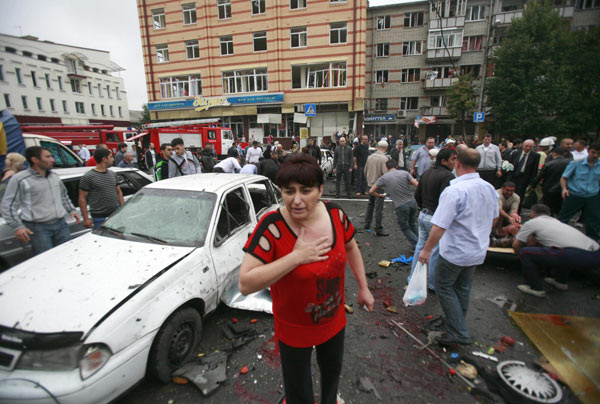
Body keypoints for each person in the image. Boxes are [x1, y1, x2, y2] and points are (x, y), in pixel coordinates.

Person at [239, 154, 374, 404]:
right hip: (294, 328)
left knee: (332, 374)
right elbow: (245, 283)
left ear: (321, 189)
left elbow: (352, 247)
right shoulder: (271, 226)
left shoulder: (336, 214)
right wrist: (296, 257)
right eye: (289, 191)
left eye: (306, 190)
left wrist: (364, 288)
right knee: (298, 391)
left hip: (334, 320)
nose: (297, 200)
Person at [418, 148, 498, 346]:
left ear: (458, 164)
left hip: (455, 251)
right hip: (477, 249)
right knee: (462, 288)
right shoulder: (488, 187)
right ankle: (456, 322)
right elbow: (495, 217)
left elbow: (439, 226)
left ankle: (459, 332)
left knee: (444, 287)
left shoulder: (454, 191)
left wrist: (426, 249)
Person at [1, 146, 80, 255]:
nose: (52, 159)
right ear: (35, 160)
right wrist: (17, 226)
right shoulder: (20, 179)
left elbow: (63, 196)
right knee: (45, 258)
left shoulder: (54, 176)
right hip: (38, 229)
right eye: (47, 156)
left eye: (51, 156)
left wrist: (71, 210)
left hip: (61, 224)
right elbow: (8, 205)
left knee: (65, 255)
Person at [513, 204, 599, 297]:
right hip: (596, 252)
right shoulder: (556, 222)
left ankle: (535, 288)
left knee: (525, 252)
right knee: (560, 248)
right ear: (549, 214)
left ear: (532, 214)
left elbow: (516, 245)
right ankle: (560, 281)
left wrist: (521, 257)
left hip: (576, 255)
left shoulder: (531, 223)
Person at [409, 148, 457, 291]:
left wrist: (424, 207)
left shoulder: (426, 173)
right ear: (444, 161)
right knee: (435, 250)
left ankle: (412, 278)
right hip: (435, 218)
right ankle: (431, 284)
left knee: (420, 247)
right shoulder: (448, 177)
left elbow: (417, 195)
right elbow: (446, 200)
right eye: (453, 159)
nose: (455, 162)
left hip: (423, 215)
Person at [369, 159, 419, 248]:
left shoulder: (384, 177)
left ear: (387, 168)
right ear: (396, 166)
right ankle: (421, 243)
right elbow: (417, 184)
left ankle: (418, 246)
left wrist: (379, 195)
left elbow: (371, 191)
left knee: (405, 227)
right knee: (412, 223)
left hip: (401, 205)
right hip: (412, 202)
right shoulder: (405, 173)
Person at [558, 142, 600, 240]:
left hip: (592, 195)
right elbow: (564, 177)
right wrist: (564, 189)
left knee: (593, 221)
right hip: (574, 194)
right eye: (593, 153)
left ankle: (593, 242)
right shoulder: (576, 163)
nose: (595, 156)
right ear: (588, 150)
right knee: (563, 218)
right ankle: (557, 237)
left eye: (598, 153)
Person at [79, 148, 124, 229]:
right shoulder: (88, 177)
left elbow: (119, 192)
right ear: (104, 159)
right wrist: (86, 218)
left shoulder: (113, 174)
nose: (113, 159)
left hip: (115, 215)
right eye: (111, 157)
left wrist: (123, 209)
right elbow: (82, 198)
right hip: (99, 218)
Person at [363, 140, 390, 236]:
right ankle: (378, 228)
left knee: (370, 204)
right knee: (379, 207)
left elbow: (365, 171)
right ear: (386, 148)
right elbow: (385, 174)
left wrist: (368, 181)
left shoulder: (370, 157)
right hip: (379, 186)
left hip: (370, 184)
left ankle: (367, 224)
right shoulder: (384, 159)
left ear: (378, 147)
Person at [534, 146, 570, 216]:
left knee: (548, 210)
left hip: (549, 189)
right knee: (560, 209)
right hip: (564, 189)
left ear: (553, 153)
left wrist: (533, 185)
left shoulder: (548, 164)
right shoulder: (570, 163)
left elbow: (539, 176)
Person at [509, 139, 540, 212]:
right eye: (526, 146)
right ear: (523, 146)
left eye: (530, 146)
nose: (528, 148)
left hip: (524, 178)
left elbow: (534, 169)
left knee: (520, 195)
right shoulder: (515, 153)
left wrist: (532, 182)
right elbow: (511, 166)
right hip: (514, 176)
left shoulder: (535, 156)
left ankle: (517, 211)